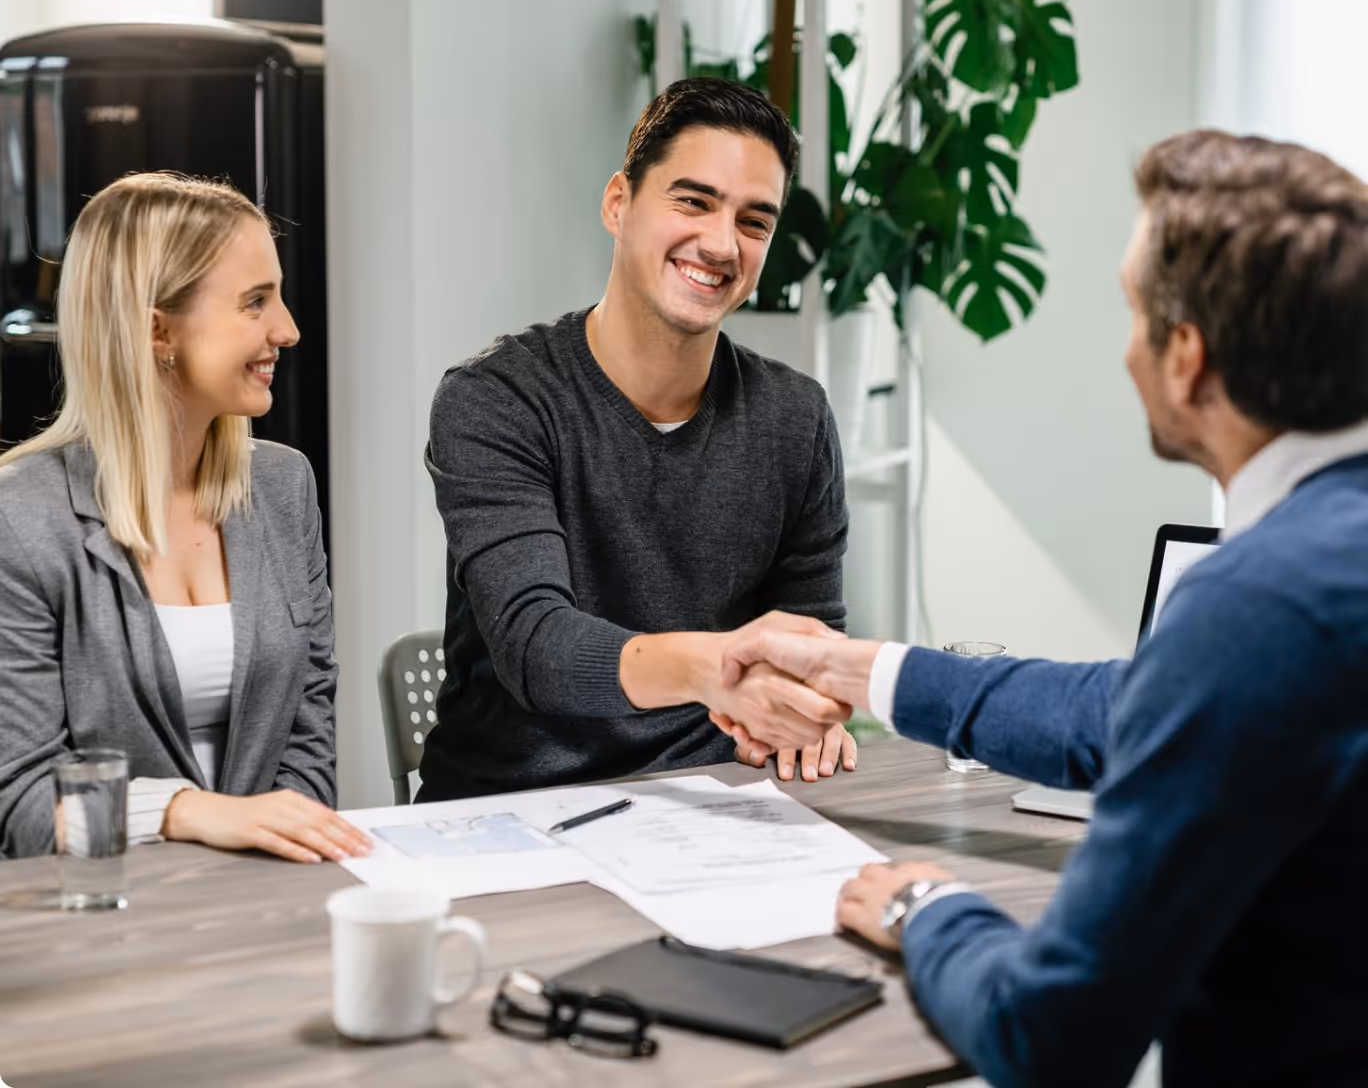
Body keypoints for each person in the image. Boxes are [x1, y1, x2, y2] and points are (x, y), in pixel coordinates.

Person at [715, 131, 1368, 1087]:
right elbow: (1129, 707)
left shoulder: (1257, 604)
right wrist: (861, 669)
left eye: (1133, 313)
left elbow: (1051, 1035)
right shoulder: (1319, 570)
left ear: (1186, 357)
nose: (1126, 349)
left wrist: (928, 907)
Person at [418, 77, 856, 802]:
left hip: (721, 803)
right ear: (618, 202)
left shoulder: (794, 417)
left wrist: (813, 706)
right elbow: (539, 648)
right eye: (693, 201)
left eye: (755, 221)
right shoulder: (497, 401)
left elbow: (809, 641)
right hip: (515, 815)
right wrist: (722, 670)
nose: (721, 243)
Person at [0, 174, 371, 867]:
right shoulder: (21, 517)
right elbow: (19, 807)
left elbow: (309, 738)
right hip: (103, 916)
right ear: (157, 330)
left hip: (268, 902)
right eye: (255, 302)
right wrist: (186, 812)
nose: (287, 330)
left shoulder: (284, 487)